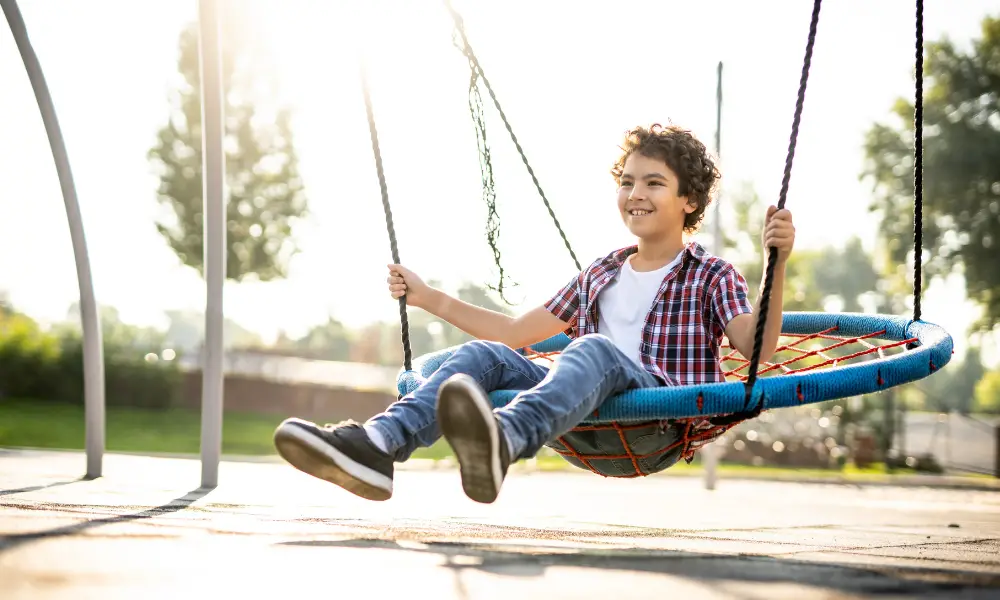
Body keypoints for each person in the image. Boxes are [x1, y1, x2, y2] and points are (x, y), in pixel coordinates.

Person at [273, 123, 795, 504]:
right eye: (628, 182)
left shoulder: (712, 274)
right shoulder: (601, 273)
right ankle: (377, 446)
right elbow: (514, 333)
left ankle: (503, 439)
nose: (636, 194)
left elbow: (758, 351)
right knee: (487, 355)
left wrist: (777, 263)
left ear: (689, 199)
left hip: (652, 423)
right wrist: (428, 297)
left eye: (654, 183)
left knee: (595, 348)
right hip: (578, 421)